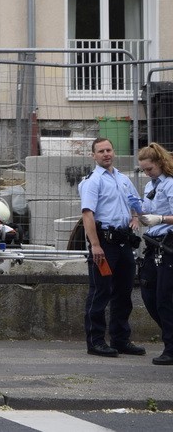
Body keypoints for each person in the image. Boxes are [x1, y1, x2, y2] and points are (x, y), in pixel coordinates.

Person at [79, 136, 145, 357]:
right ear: (93, 155)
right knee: (100, 292)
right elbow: (88, 214)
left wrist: (135, 217)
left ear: (113, 152)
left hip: (123, 242)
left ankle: (120, 339)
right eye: (101, 151)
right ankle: (95, 342)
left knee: (123, 293)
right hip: (104, 243)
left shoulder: (123, 179)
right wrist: (95, 245)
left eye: (108, 150)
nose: (106, 154)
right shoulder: (93, 181)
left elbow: (135, 202)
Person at [135, 142, 173, 365]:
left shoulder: (169, 184)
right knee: (149, 294)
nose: (147, 173)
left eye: (149, 169)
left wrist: (160, 219)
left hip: (168, 242)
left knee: (164, 298)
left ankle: (171, 346)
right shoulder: (152, 186)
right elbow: (146, 208)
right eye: (144, 170)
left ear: (160, 163)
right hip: (153, 242)